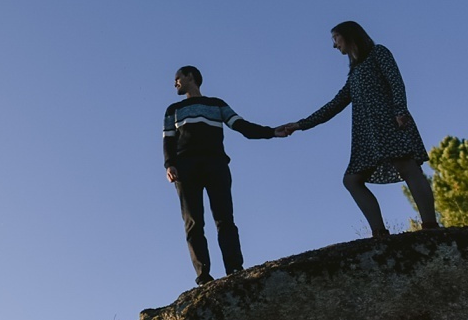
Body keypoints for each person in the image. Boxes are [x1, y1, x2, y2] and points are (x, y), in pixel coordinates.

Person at [278, 21, 439, 237]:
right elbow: (334, 104)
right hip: (367, 134)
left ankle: (430, 226)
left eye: (336, 38)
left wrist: (400, 110)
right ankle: (379, 234)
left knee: (407, 166)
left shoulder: (378, 53)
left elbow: (396, 81)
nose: (334, 45)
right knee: (352, 180)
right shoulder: (354, 74)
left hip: (390, 121)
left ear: (349, 35)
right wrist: (301, 124)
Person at [164, 65, 282, 285]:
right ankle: (203, 277)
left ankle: (234, 268)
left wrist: (271, 132)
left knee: (224, 218)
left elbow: (241, 126)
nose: (175, 83)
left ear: (190, 76)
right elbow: (168, 140)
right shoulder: (173, 109)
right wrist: (169, 165)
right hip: (186, 168)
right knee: (193, 222)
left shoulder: (216, 104)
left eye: (177, 77)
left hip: (216, 165)